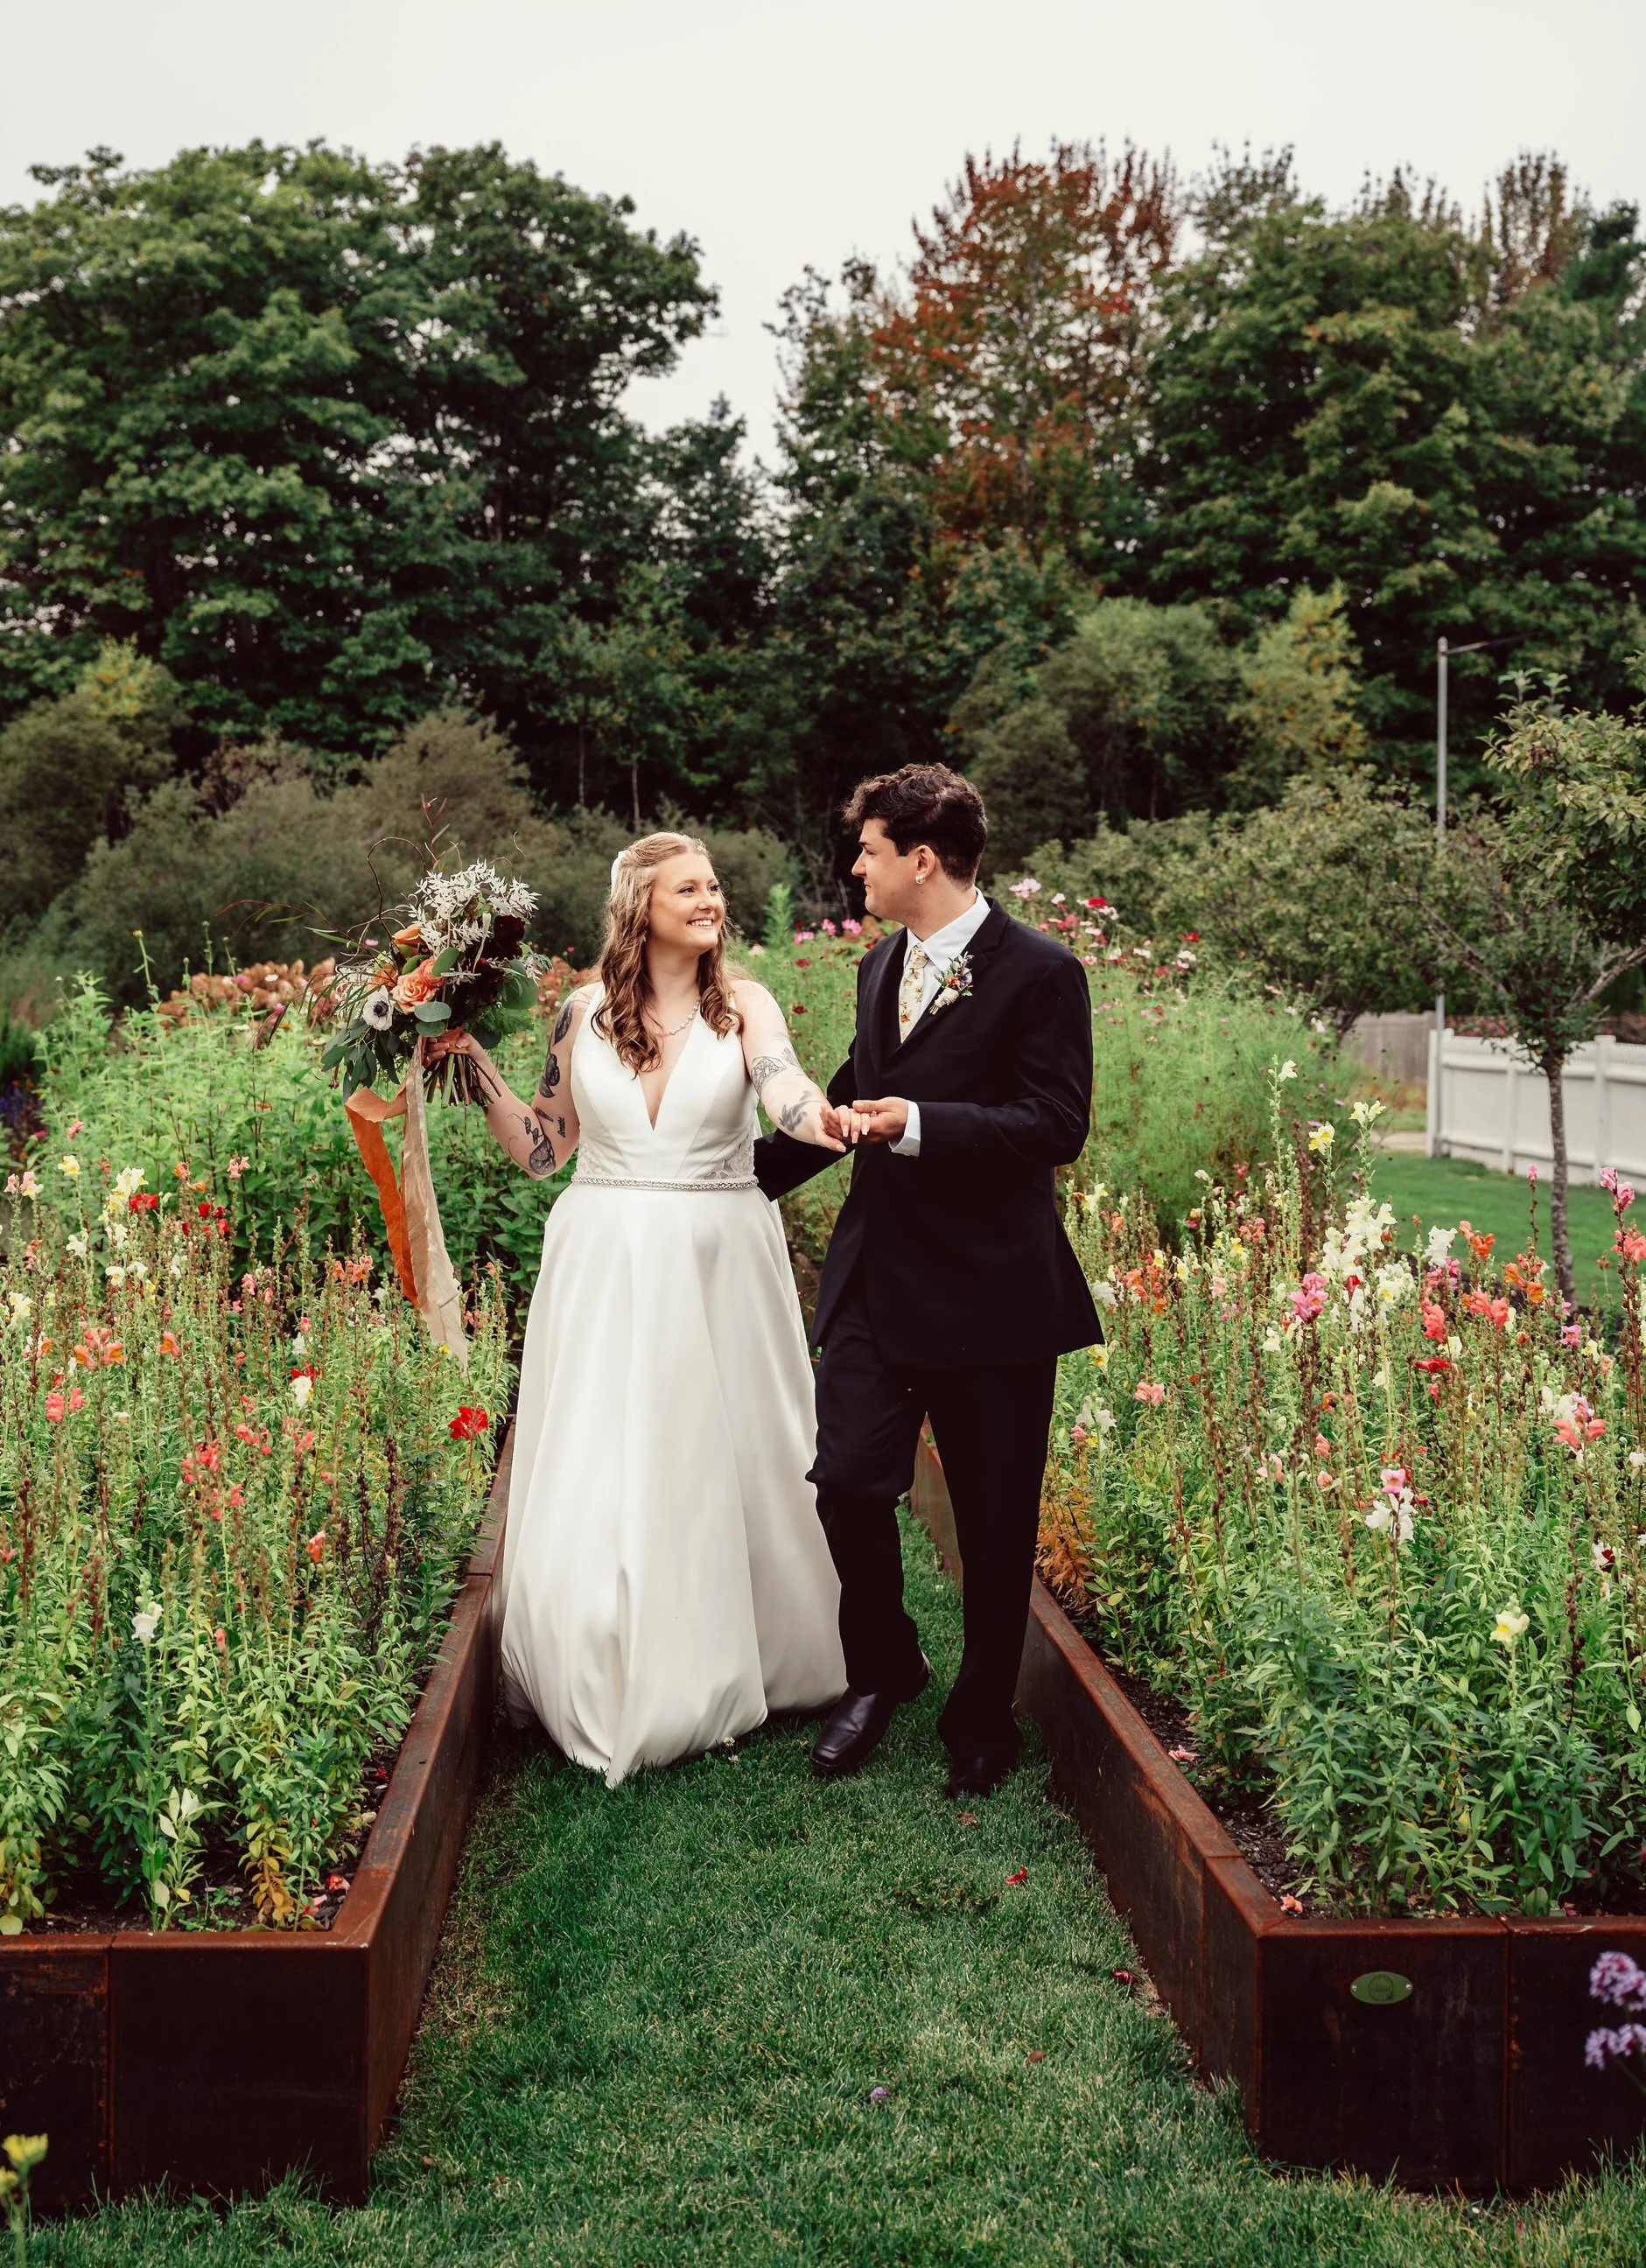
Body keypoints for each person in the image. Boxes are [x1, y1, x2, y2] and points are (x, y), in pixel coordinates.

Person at [428, 832, 846, 1785]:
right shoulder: (580, 1014)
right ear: (638, 907)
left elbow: (780, 1085)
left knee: (732, 1445)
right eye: (687, 888)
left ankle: (766, 1648)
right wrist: (472, 1064)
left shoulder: (745, 1005)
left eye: (714, 886)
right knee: (606, 1447)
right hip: (604, 1256)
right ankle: (602, 1652)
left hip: (719, 1254)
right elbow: (544, 1149)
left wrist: (817, 1116)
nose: (710, 900)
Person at [754, 765, 1100, 1801]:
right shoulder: (879, 968)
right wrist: (731, 1183)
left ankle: (981, 1716)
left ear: (920, 858)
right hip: (878, 1281)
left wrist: (924, 1125)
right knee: (847, 1482)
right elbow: (853, 1096)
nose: (855, 869)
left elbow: (1057, 1123)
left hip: (995, 1296)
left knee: (995, 1524)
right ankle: (884, 1666)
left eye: (867, 852)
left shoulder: (1042, 972)